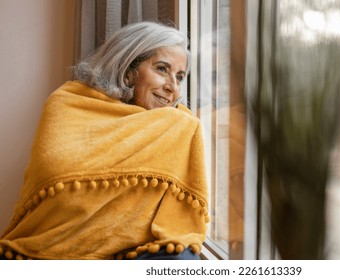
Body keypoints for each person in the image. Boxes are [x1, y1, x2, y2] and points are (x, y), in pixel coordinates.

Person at [0, 22, 209, 260]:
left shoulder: (176, 127)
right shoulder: (68, 102)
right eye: (162, 69)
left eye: (179, 77)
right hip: (43, 251)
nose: (174, 88)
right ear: (128, 68)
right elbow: (55, 173)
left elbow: (175, 218)